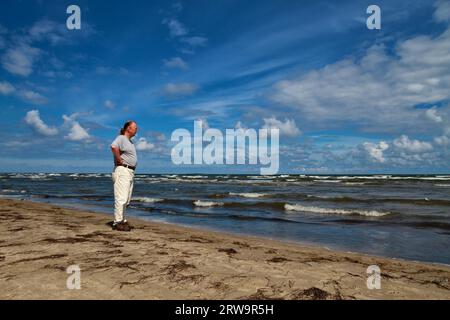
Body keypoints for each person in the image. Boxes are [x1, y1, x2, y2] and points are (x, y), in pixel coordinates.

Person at [110, 120, 138, 231]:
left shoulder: (130, 142)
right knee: (121, 198)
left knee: (126, 199)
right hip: (123, 170)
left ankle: (123, 220)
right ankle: (117, 222)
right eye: (135, 127)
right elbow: (113, 147)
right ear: (128, 129)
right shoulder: (121, 138)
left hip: (129, 172)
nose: (136, 129)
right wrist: (118, 160)